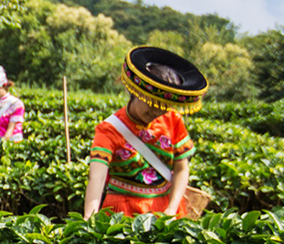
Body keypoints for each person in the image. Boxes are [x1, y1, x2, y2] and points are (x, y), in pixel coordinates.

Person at [84, 46, 208, 219]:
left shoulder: (172, 120)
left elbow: (181, 169)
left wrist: (171, 210)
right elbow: (96, 177)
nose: (157, 112)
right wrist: (89, 219)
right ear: (137, 93)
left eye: (163, 107)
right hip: (123, 212)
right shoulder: (109, 130)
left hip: (166, 209)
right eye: (152, 104)